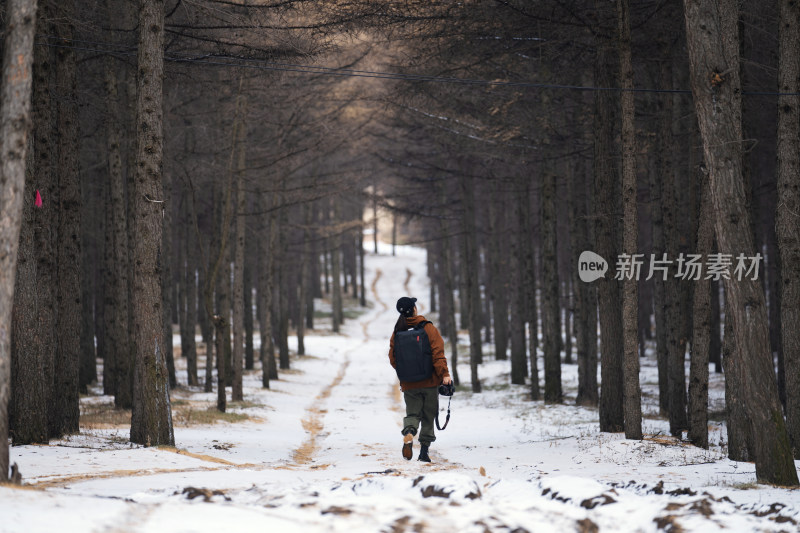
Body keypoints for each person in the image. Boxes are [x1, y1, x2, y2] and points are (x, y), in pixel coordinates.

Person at [388, 296, 452, 463]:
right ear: (414, 309)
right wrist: (444, 374)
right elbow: (438, 354)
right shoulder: (428, 328)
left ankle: (409, 432)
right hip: (430, 382)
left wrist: (407, 373)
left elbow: (393, 358)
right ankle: (424, 452)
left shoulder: (397, 332)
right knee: (428, 416)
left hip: (409, 384)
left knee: (413, 413)